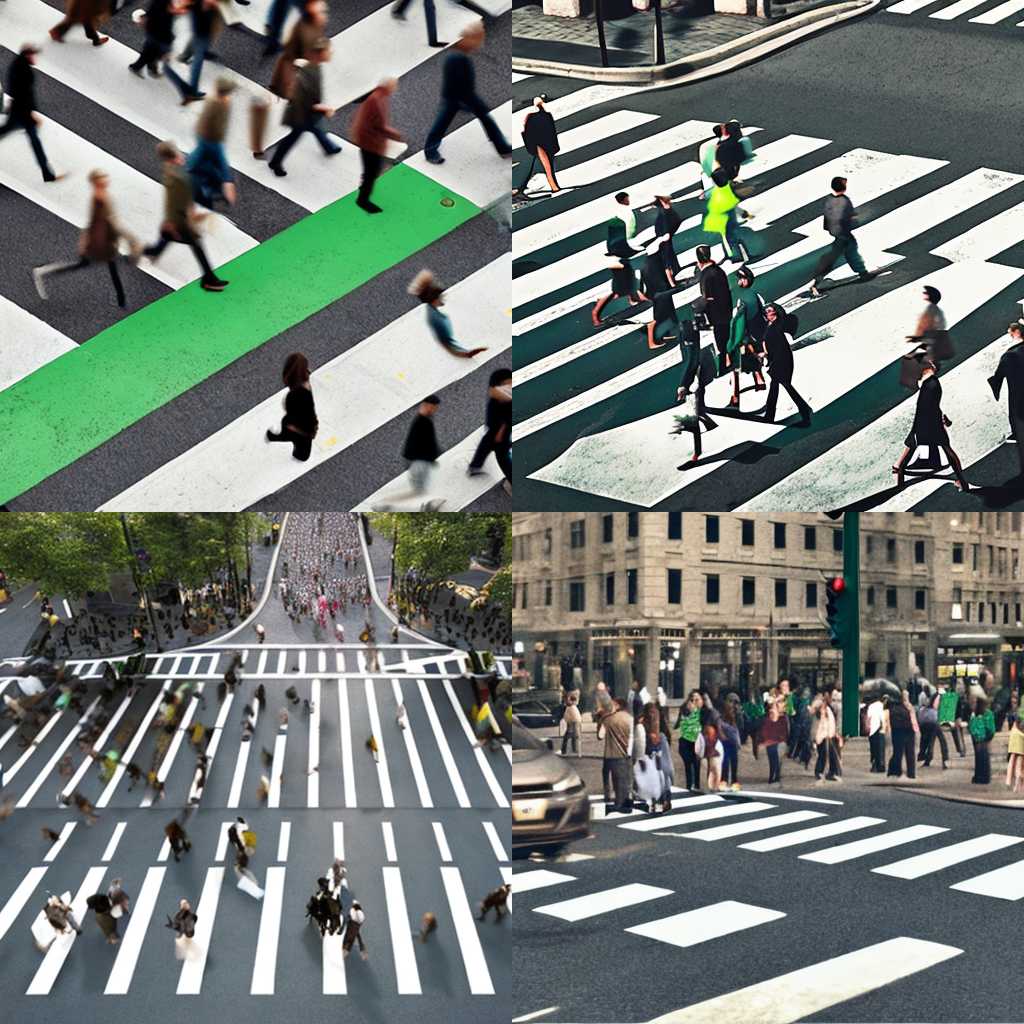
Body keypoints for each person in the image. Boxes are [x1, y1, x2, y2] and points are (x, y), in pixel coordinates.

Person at [33, 170, 141, 308]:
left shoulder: (102, 195)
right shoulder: (98, 198)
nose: (106, 179)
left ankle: (121, 300)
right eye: (102, 178)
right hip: (100, 241)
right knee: (87, 265)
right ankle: (44, 272)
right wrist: (86, 241)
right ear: (95, 182)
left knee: (110, 267)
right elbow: (96, 221)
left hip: (105, 239)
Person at [144, 140, 228, 291]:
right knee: (197, 244)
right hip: (180, 219)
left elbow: (173, 200)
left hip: (175, 218)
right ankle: (208, 280)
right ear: (172, 156)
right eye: (176, 152)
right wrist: (178, 220)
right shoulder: (178, 177)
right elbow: (178, 201)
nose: (180, 154)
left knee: (169, 237)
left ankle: (151, 251)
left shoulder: (170, 169)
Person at [423, 22, 511, 166]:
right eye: (477, 40)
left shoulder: (461, 56)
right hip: (455, 98)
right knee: (441, 123)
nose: (479, 44)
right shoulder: (455, 58)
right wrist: (463, 102)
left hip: (466, 97)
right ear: (467, 40)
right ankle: (430, 150)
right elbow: (454, 84)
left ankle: (502, 147)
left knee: (486, 119)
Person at [893, 358, 969, 491]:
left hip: (925, 425)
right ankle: (962, 482)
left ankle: (899, 486)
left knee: (909, 453)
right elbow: (933, 406)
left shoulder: (929, 385)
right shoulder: (932, 383)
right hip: (932, 423)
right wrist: (942, 418)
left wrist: (917, 430)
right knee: (946, 449)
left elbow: (923, 409)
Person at [268, 38, 341, 177]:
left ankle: (328, 147)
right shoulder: (309, 73)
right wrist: (324, 109)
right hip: (300, 114)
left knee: (316, 127)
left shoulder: (314, 68)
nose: (331, 53)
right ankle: (275, 162)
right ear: (320, 54)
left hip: (306, 113)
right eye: (328, 51)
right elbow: (305, 101)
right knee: (295, 136)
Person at [0, 45, 65, 183]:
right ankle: (48, 174)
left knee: (30, 140)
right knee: (35, 142)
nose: (34, 58)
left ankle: (48, 174)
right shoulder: (22, 71)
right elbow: (23, 95)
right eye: (32, 55)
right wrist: (31, 114)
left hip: (20, 110)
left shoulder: (19, 67)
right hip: (22, 111)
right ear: (26, 55)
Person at [809, 176, 876, 297]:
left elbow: (828, 216)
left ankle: (862, 272)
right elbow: (844, 217)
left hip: (837, 233)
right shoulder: (844, 201)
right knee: (838, 257)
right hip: (842, 234)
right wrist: (851, 221)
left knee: (849, 252)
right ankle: (816, 284)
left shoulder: (829, 200)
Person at [129, 0, 204, 104]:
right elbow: (162, 11)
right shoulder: (165, 5)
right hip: (159, 33)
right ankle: (140, 67)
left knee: (151, 50)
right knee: (157, 54)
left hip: (158, 31)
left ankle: (144, 67)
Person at [350, 78, 403, 214]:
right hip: (370, 143)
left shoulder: (377, 97)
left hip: (367, 140)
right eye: (394, 86)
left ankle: (364, 187)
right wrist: (395, 134)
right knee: (372, 172)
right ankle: (363, 200)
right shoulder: (377, 101)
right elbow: (379, 126)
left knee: (371, 169)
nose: (395, 89)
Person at [407, 270, 488, 358]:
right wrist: (468, 353)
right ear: (435, 300)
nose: (443, 297)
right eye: (440, 296)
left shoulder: (433, 313)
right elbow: (448, 344)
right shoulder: (437, 320)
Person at [757, 303, 812, 427]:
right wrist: (764, 354)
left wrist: (767, 356)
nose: (767, 313)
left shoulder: (778, 325)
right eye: (766, 311)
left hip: (782, 359)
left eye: (770, 311)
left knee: (783, 386)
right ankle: (802, 411)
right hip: (777, 359)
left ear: (776, 312)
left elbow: (777, 346)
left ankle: (803, 412)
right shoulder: (770, 326)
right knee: (779, 386)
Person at [187, 77, 237, 210]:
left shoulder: (225, 102)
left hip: (213, 139)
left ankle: (211, 188)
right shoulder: (214, 103)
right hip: (209, 139)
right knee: (218, 165)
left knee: (206, 163)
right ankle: (222, 188)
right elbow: (206, 123)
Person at [725, 265, 767, 407]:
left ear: (746, 281)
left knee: (735, 365)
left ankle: (735, 396)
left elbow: (739, 322)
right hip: (758, 334)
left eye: (741, 279)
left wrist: (733, 342)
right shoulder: (756, 295)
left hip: (746, 336)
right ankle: (759, 380)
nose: (738, 281)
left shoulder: (741, 300)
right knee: (753, 357)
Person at [675, 335, 719, 464]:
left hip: (694, 387)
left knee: (693, 418)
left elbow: (692, 364)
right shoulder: (693, 347)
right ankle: (708, 423)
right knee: (695, 414)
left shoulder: (692, 349)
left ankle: (697, 452)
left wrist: (683, 385)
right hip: (696, 384)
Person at [266, 352, 318, 461]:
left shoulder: (295, 389)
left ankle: (275, 437)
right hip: (303, 428)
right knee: (301, 448)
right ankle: (298, 453)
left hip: (298, 425)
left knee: (294, 440)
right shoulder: (303, 389)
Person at [467, 369, 512, 495]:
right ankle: (475, 466)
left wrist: (500, 433)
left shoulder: (507, 401)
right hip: (495, 431)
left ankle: (512, 481)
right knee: (485, 447)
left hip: (500, 434)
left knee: (501, 457)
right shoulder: (497, 398)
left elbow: (507, 421)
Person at [989, 322, 1024, 475]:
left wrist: (995, 384)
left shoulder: (1009, 355)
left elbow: (998, 377)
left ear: (1016, 332)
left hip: (1019, 395)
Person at [396, 396, 443, 504]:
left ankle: (425, 502)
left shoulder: (424, 419)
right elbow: (424, 443)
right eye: (434, 407)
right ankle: (424, 505)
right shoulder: (423, 422)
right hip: (418, 460)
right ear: (425, 406)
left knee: (420, 485)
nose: (435, 410)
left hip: (418, 459)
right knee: (419, 486)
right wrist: (432, 456)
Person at [703, 167, 753, 266]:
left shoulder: (713, 192)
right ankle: (739, 255)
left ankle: (734, 256)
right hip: (730, 219)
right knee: (734, 238)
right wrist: (743, 213)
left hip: (721, 221)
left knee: (728, 239)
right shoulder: (726, 192)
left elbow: (707, 193)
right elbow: (734, 206)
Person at [515, 95, 560, 196]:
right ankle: (553, 185)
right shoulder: (547, 115)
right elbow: (552, 130)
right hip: (544, 142)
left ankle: (520, 188)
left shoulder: (531, 116)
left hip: (538, 142)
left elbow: (525, 129)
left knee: (542, 165)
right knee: (546, 165)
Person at [695, 244, 731, 363]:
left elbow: (707, 297)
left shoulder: (706, 276)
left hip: (716, 313)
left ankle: (726, 360)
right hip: (726, 308)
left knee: (721, 338)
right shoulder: (719, 270)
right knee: (727, 334)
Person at [602, 698, 633, 813]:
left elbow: (600, 735)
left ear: (618, 705)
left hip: (609, 754)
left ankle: (609, 797)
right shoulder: (630, 719)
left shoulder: (608, 719)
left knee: (609, 776)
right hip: (624, 754)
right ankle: (623, 802)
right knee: (623, 779)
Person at [674, 690, 703, 791]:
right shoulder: (685, 709)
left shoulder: (702, 711)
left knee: (697, 763)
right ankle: (689, 786)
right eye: (692, 699)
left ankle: (697, 785)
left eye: (697, 699)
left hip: (696, 740)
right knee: (688, 764)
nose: (694, 701)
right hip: (685, 740)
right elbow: (677, 725)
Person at [887, 690, 917, 779]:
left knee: (897, 752)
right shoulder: (909, 706)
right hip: (909, 731)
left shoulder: (893, 707)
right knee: (910, 753)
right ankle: (911, 774)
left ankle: (896, 772)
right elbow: (914, 720)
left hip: (897, 732)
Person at [653, 194, 682, 287]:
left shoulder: (666, 210)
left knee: (669, 258)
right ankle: (671, 283)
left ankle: (673, 279)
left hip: (665, 236)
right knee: (667, 260)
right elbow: (665, 225)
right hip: (664, 237)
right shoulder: (664, 213)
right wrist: (666, 234)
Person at [810, 691, 840, 781]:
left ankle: (831, 772)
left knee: (832, 755)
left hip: (829, 734)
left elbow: (831, 722)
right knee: (823, 754)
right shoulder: (819, 709)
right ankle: (819, 772)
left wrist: (835, 733)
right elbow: (815, 714)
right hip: (821, 735)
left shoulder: (828, 709)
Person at [761, 698, 789, 785]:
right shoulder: (767, 720)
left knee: (776, 759)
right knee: (773, 759)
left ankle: (775, 776)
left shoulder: (783, 718)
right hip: (771, 741)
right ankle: (773, 776)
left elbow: (785, 731)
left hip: (777, 741)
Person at [970, 696, 995, 785]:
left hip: (980, 739)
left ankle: (980, 777)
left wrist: (976, 735)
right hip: (982, 738)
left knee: (980, 758)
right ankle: (983, 777)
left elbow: (973, 727)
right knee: (983, 758)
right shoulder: (987, 713)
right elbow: (991, 728)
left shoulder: (978, 715)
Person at [695, 719, 723, 793]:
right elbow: (719, 747)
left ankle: (706, 788)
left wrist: (699, 755)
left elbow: (698, 747)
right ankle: (714, 788)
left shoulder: (701, 734)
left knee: (705, 773)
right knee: (715, 772)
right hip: (714, 755)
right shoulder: (716, 733)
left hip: (705, 756)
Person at [866, 694, 886, 773]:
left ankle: (874, 764)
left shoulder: (870, 706)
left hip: (872, 729)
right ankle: (881, 765)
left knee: (873, 748)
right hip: (880, 729)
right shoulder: (881, 706)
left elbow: (868, 718)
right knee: (880, 748)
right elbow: (882, 718)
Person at [1007, 710, 1024, 792]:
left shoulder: (1013, 729)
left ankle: (1010, 782)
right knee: (1018, 764)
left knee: (1013, 761)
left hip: (1015, 745)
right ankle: (1017, 785)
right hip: (1019, 745)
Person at [561, 693, 581, 757]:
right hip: (573, 723)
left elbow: (573, 716)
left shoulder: (572, 707)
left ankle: (569, 750)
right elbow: (567, 716)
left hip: (573, 723)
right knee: (571, 736)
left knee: (571, 737)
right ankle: (571, 749)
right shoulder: (571, 707)